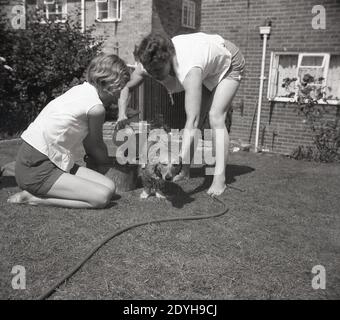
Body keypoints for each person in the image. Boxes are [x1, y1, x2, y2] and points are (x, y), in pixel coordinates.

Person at [117, 32, 245, 196]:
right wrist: (121, 114)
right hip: (206, 65)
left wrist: (179, 158)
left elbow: (193, 119)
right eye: (151, 71)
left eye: (158, 71)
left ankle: (219, 179)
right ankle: (184, 172)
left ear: (168, 58)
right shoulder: (150, 63)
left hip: (229, 62)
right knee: (195, 124)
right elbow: (127, 87)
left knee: (215, 116)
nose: (154, 75)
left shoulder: (189, 69)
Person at [7, 53, 130, 208]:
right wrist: (110, 164)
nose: (118, 95)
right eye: (119, 88)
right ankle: (32, 198)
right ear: (110, 84)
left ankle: (37, 188)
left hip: (45, 159)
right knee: (102, 197)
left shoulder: (80, 90)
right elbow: (95, 146)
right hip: (37, 167)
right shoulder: (96, 108)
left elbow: (90, 143)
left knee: (110, 187)